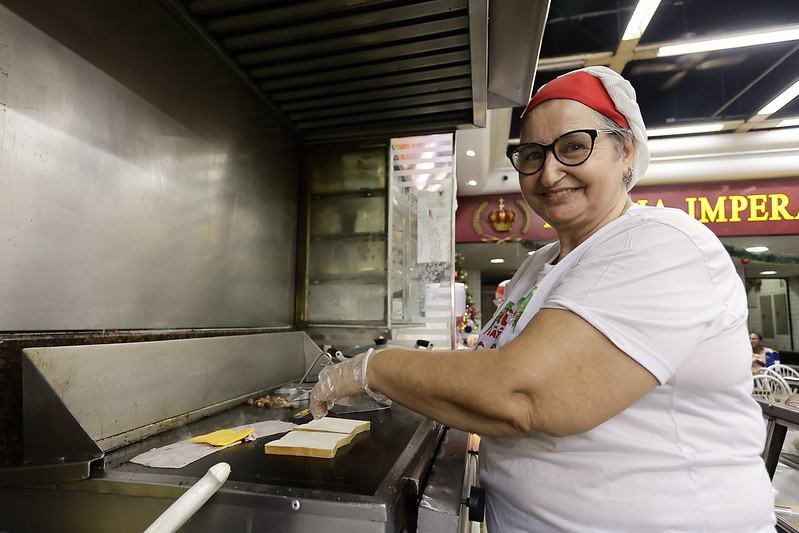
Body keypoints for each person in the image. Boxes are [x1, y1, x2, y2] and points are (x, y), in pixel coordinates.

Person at [310, 66, 775, 532]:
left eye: (574, 146)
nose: (550, 172)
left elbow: (525, 395)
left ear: (626, 150)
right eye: (532, 154)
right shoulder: (539, 265)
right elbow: (486, 379)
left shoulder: (662, 242)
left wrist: (373, 368)